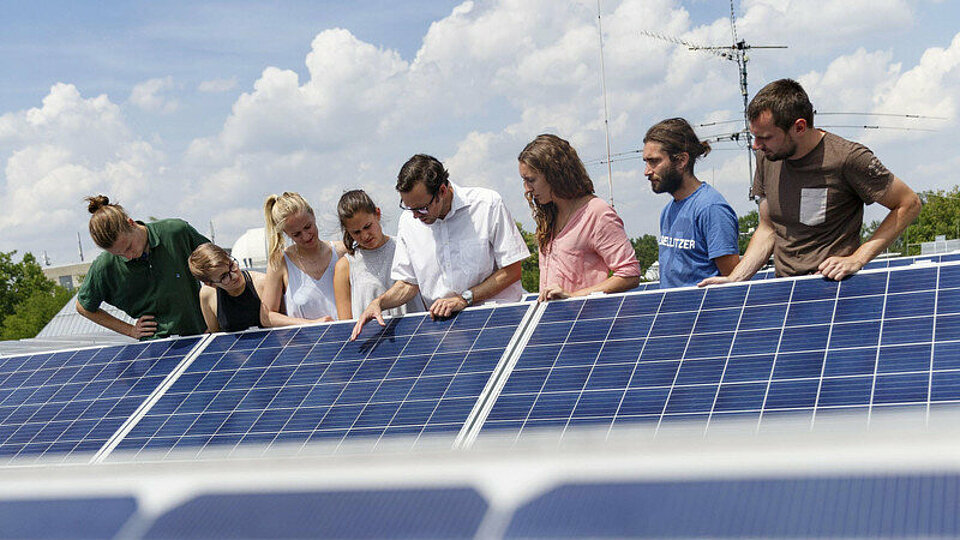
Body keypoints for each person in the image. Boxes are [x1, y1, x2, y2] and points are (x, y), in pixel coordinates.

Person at [700, 79, 921, 285]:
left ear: (799, 127)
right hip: (786, 290)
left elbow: (908, 203)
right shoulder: (768, 157)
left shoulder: (847, 157)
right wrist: (735, 278)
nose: (756, 145)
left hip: (834, 289)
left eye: (765, 137)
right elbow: (768, 228)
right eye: (754, 137)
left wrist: (858, 258)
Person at [350, 154, 530, 339]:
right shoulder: (408, 222)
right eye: (408, 207)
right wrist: (379, 303)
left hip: (498, 325)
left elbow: (513, 270)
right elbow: (407, 284)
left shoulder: (487, 204)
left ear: (442, 191)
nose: (415, 216)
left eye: (421, 208)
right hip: (447, 335)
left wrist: (465, 299)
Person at [518, 134, 640, 301]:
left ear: (554, 174)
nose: (527, 189)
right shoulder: (549, 215)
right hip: (554, 322)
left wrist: (573, 297)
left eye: (531, 180)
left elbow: (629, 274)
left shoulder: (597, 213)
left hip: (585, 321)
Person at [75, 195, 208, 339]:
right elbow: (83, 307)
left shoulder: (176, 232)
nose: (129, 256)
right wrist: (130, 330)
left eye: (128, 247)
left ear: (131, 223)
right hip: (154, 345)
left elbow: (219, 265)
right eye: (119, 254)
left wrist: (215, 320)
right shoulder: (104, 266)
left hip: (202, 333)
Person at [642, 118, 740, 288]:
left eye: (654, 161)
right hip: (674, 312)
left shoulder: (711, 209)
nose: (647, 171)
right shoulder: (668, 211)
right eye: (646, 162)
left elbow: (734, 280)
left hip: (705, 313)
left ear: (681, 161)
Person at [188, 243, 323, 333]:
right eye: (224, 277)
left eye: (231, 265)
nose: (234, 275)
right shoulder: (207, 295)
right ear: (210, 283)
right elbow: (216, 336)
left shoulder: (263, 284)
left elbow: (287, 324)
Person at [333, 190, 424, 320]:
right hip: (373, 339)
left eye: (367, 226)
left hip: (417, 333)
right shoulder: (344, 267)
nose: (365, 236)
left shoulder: (405, 247)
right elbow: (345, 324)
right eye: (356, 232)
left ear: (377, 214)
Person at [262, 192, 347, 323]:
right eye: (296, 234)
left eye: (308, 227)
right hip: (305, 341)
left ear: (313, 215)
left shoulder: (342, 252)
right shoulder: (280, 262)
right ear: (286, 233)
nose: (306, 236)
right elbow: (266, 317)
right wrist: (312, 324)